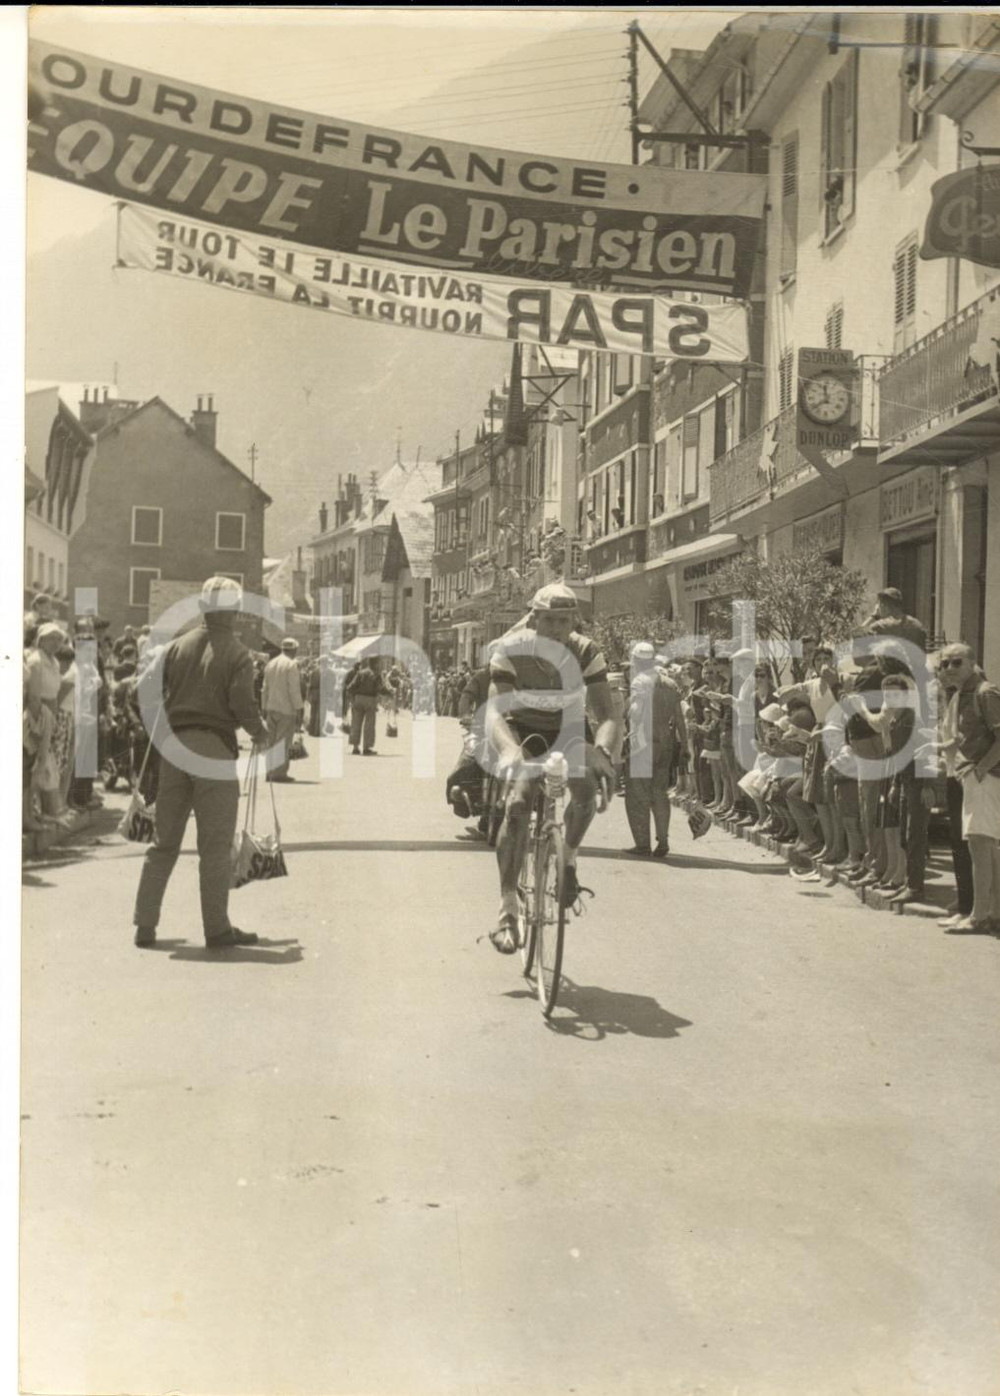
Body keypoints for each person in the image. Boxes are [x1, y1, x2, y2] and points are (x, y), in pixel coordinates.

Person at [132, 575, 268, 950]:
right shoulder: (237, 653)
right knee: (214, 845)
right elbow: (242, 702)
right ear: (235, 611)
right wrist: (259, 731)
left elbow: (138, 690)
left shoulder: (176, 646)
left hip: (174, 750)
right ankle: (216, 928)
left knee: (165, 842)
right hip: (214, 752)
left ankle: (145, 925)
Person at [485, 581, 619, 953]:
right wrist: (509, 750)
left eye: (565, 621)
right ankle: (508, 907)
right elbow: (494, 713)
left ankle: (569, 860)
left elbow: (607, 714)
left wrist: (603, 752)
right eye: (549, 621)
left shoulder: (586, 651)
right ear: (534, 619)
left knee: (587, 791)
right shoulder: (510, 650)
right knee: (517, 806)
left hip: (569, 730)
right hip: (521, 729)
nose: (557, 630)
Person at [937, 643, 1000, 931]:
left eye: (956, 662)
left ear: (973, 662)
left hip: (985, 778)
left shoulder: (984, 692)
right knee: (985, 848)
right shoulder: (963, 694)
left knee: (980, 845)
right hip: (974, 776)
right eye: (945, 663)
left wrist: (981, 769)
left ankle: (979, 916)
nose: (949, 668)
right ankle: (991, 912)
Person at [622, 642, 687, 858]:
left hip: (643, 744)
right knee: (660, 793)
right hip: (665, 743)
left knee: (638, 795)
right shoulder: (670, 683)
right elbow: (679, 718)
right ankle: (663, 840)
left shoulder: (640, 681)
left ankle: (642, 843)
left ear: (637, 661)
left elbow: (637, 712)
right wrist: (685, 746)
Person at [262, 638, 304, 783]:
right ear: (294, 650)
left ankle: (269, 771)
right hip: (286, 709)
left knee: (271, 742)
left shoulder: (271, 664)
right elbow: (294, 689)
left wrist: (264, 707)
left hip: (271, 707)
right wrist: (299, 708)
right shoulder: (291, 665)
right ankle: (279, 773)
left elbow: (264, 688)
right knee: (283, 742)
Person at [859, 587, 928, 654]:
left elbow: (858, 638)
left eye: (879, 604)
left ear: (884, 606)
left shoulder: (880, 626)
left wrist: (874, 615)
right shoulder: (917, 625)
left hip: (890, 665)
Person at [346, 658, 382, 754]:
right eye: (378, 663)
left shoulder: (360, 673)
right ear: (375, 663)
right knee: (369, 724)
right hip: (370, 700)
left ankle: (355, 747)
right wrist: (390, 692)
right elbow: (380, 688)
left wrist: (353, 698)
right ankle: (366, 748)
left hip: (358, 699)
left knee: (356, 723)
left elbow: (350, 687)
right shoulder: (376, 674)